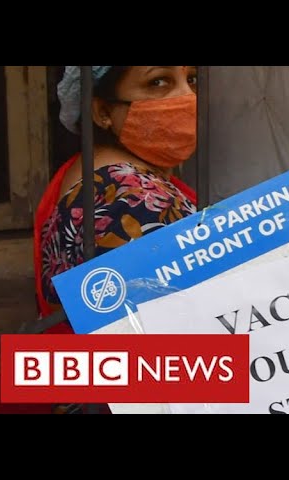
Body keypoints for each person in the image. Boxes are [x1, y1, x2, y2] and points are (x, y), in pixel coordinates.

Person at [34, 66, 200, 329]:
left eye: (192, 79)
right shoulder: (130, 198)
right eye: (158, 82)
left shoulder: (93, 169)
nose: (188, 95)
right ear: (102, 112)